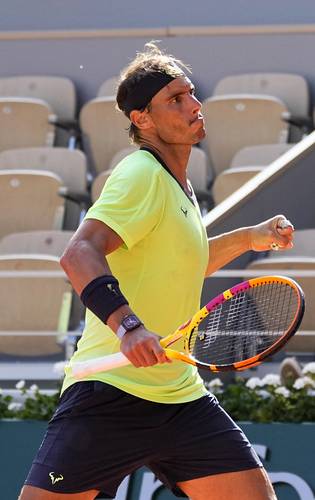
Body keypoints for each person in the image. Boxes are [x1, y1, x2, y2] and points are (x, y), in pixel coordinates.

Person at [20, 42, 294, 500]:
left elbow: (186, 263)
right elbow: (79, 252)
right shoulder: (140, 174)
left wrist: (248, 238)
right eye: (175, 99)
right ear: (140, 119)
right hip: (111, 392)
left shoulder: (178, 184)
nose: (193, 105)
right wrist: (128, 325)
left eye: (190, 93)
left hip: (179, 395)